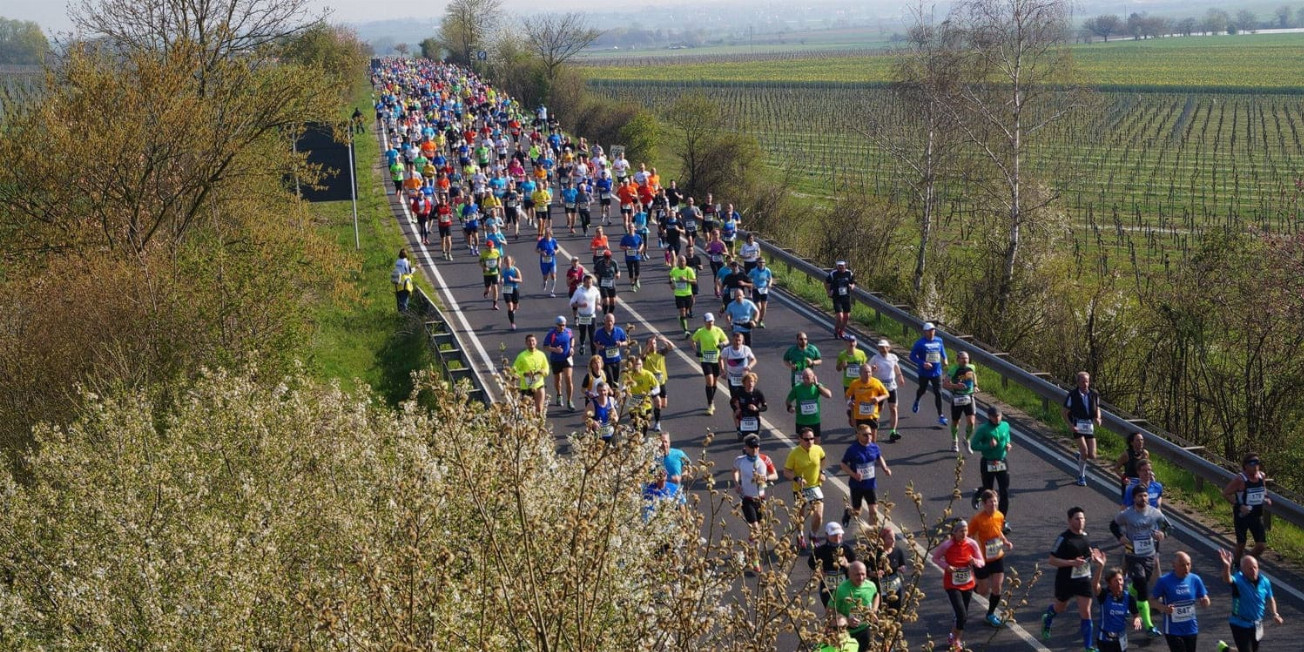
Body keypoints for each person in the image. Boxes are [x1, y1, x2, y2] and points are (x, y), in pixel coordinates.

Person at [1110, 482, 1172, 639]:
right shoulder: (1127, 514)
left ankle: (1127, 594)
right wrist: (1121, 537)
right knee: (1142, 587)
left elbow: (1168, 527)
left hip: (1149, 555)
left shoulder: (1155, 513)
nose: (1143, 498)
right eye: (1140, 496)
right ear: (1134, 498)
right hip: (1132, 555)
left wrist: (1162, 534)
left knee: (1138, 585)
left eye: (1145, 496)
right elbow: (1113, 525)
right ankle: (1149, 626)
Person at [1042, 506, 1101, 652]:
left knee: (1086, 612)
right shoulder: (1064, 539)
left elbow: (1089, 554)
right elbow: (1052, 560)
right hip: (1066, 580)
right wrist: (1071, 563)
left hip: (1083, 579)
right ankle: (1048, 617)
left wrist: (1094, 558)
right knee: (1060, 607)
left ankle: (1088, 646)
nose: (1081, 521)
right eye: (1077, 519)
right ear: (1070, 521)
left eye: (1082, 518)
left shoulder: (1086, 536)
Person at [931, 519, 986, 651]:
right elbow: (935, 558)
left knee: (963, 615)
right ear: (954, 532)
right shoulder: (947, 545)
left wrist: (975, 561)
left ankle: (952, 636)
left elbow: (982, 561)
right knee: (961, 614)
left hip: (968, 583)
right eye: (961, 530)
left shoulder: (972, 544)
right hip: (952, 584)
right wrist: (946, 566)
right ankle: (957, 640)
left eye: (966, 530)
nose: (964, 533)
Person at [1217, 547, 1284, 652]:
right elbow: (1227, 579)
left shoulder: (1265, 581)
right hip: (1239, 623)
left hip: (1257, 624)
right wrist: (1227, 566)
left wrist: (1275, 614)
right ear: (1242, 570)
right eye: (1250, 568)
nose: (1253, 571)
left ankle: (1226, 650)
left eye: (1255, 567)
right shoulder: (1238, 579)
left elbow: (1271, 599)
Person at [1150, 551, 1211, 652]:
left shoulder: (1195, 579)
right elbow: (1151, 600)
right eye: (1182, 565)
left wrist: (1205, 601)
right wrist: (1164, 608)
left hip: (1191, 628)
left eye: (1188, 564)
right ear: (1174, 565)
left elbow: (1205, 598)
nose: (1186, 568)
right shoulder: (1164, 581)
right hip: (1173, 630)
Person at [970, 490, 1014, 628]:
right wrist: (970, 554)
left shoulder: (999, 515)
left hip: (997, 556)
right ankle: (970, 587)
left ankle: (990, 614)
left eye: (995, 501)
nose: (994, 504)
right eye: (991, 502)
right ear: (984, 504)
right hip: (982, 559)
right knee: (983, 591)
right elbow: (969, 536)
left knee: (997, 587)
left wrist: (1005, 541)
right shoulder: (977, 519)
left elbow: (998, 530)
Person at [733, 434, 775, 570]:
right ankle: (755, 558)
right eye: (752, 447)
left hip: (761, 498)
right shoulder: (740, 460)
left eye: (757, 447)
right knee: (755, 528)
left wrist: (766, 478)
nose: (755, 450)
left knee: (759, 531)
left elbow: (775, 474)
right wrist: (736, 483)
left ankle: (750, 545)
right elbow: (734, 470)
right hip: (747, 499)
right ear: (746, 448)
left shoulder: (765, 459)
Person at [840, 424, 892, 530]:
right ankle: (848, 512)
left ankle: (871, 535)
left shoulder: (874, 447)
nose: (868, 437)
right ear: (858, 435)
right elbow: (843, 464)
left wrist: (885, 468)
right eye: (865, 435)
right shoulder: (852, 449)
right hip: (856, 485)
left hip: (870, 485)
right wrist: (853, 475)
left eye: (870, 434)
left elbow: (879, 457)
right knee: (857, 512)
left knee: (873, 511)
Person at [1222, 453, 1272, 563]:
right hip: (1242, 515)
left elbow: (1263, 489)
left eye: (1257, 463)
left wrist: (1266, 498)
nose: (1255, 466)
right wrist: (1240, 506)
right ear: (1245, 465)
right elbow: (1226, 493)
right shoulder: (1240, 479)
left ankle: (1246, 563)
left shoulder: (1261, 476)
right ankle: (1236, 565)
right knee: (1241, 544)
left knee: (1261, 545)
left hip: (1256, 514)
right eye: (1252, 463)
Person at [784, 427, 827, 551]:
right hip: (800, 489)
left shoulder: (818, 449)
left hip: (814, 486)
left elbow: (823, 460)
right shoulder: (794, 453)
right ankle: (800, 535)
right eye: (806, 439)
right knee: (801, 516)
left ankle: (813, 535)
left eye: (812, 438)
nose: (810, 441)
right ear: (800, 440)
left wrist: (822, 472)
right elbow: (786, 472)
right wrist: (797, 479)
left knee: (818, 515)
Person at [970, 406, 1013, 523]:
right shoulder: (983, 429)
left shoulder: (1005, 425)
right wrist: (987, 446)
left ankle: (1002, 520)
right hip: (988, 462)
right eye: (994, 417)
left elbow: (1007, 435)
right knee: (988, 492)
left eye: (998, 416)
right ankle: (979, 493)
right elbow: (973, 445)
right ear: (989, 417)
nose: (997, 419)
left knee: (1004, 492)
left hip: (1001, 461)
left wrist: (1008, 444)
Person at [1091, 551, 1140, 652]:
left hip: (1121, 639)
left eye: (1121, 580)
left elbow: (1136, 614)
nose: (1119, 583)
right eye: (1115, 581)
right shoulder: (1104, 595)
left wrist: (1137, 620)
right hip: (1105, 639)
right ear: (1109, 583)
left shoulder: (1128, 597)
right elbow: (1095, 585)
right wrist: (1101, 566)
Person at [1062, 371, 1102, 486]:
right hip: (1077, 425)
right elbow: (1064, 412)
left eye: (1087, 381)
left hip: (1089, 426)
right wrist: (1070, 425)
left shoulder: (1094, 394)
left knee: (1092, 455)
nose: (1085, 384)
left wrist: (1098, 418)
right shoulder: (1073, 395)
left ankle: (1080, 456)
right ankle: (1081, 476)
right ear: (1078, 382)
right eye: (1083, 381)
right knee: (1084, 451)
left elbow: (1097, 408)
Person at [832, 561, 880, 652]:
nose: (861, 578)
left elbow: (876, 595)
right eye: (857, 575)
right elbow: (829, 611)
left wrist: (873, 611)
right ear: (849, 574)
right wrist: (846, 621)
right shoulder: (841, 590)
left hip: (864, 630)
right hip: (846, 633)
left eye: (863, 574)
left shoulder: (871, 585)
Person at [809, 522, 858, 609]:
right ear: (827, 535)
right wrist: (818, 570)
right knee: (830, 613)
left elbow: (856, 566)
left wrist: (847, 564)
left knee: (845, 611)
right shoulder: (820, 550)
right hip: (828, 589)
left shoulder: (847, 549)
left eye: (839, 534)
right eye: (834, 535)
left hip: (845, 587)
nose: (837, 537)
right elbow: (811, 563)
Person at [909, 322, 948, 427]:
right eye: (929, 331)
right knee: (922, 390)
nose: (932, 333)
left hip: (937, 372)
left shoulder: (939, 340)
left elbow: (942, 351)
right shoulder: (920, 343)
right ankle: (917, 400)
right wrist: (923, 363)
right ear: (925, 332)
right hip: (924, 373)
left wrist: (945, 358)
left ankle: (941, 415)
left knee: (938, 393)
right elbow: (912, 356)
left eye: (933, 330)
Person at [691, 313, 728, 416]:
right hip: (705, 359)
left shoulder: (718, 330)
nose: (710, 323)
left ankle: (711, 399)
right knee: (709, 381)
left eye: (711, 321)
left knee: (715, 383)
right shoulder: (700, 331)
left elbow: (726, 340)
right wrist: (696, 350)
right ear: (705, 322)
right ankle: (710, 404)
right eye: (708, 322)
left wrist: (722, 344)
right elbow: (692, 340)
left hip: (716, 359)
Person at [869, 339, 906, 442]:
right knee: (879, 408)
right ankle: (874, 425)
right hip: (879, 386)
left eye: (884, 347)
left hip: (891, 386)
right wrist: (872, 369)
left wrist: (900, 376)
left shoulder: (893, 357)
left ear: (888, 348)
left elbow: (896, 367)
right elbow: (868, 369)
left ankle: (893, 431)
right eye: (880, 347)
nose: (882, 349)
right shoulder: (875, 358)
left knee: (893, 408)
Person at [942, 351, 978, 454]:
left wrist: (975, 386)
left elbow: (974, 376)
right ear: (958, 359)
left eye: (966, 358)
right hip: (957, 397)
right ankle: (954, 440)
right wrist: (956, 386)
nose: (965, 360)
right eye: (962, 358)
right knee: (956, 421)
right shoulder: (953, 369)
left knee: (971, 422)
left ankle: (967, 440)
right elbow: (945, 384)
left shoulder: (972, 367)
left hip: (969, 397)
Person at [786, 368, 834, 442]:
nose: (807, 379)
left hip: (814, 421)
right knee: (802, 444)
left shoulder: (817, 386)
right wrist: (790, 408)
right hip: (801, 421)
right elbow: (788, 401)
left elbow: (829, 395)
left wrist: (817, 385)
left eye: (809, 377)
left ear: (814, 376)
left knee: (817, 443)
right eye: (804, 377)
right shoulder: (797, 388)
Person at [844, 363, 889, 438]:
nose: (867, 374)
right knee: (861, 438)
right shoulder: (855, 383)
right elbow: (847, 395)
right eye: (865, 372)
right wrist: (849, 402)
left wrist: (878, 398)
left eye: (869, 372)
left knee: (873, 439)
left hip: (872, 414)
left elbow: (886, 394)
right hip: (859, 415)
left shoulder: (876, 382)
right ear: (860, 373)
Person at [542, 316, 575, 411]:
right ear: (556, 325)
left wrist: (572, 347)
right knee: (558, 380)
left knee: (568, 378)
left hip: (567, 359)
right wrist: (555, 349)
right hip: (556, 360)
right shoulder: (551, 334)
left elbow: (572, 338)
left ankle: (569, 401)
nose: (562, 327)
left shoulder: (568, 331)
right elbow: (545, 346)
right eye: (560, 325)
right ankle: (559, 394)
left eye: (564, 325)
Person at [512, 334, 549, 416]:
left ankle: (539, 426)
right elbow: (513, 370)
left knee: (539, 409)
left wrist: (543, 372)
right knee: (528, 411)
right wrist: (524, 374)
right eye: (529, 341)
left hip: (539, 384)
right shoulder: (522, 356)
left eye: (533, 341)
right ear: (526, 343)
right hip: (526, 386)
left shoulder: (541, 354)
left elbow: (546, 368)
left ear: (536, 342)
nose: (531, 342)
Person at [874, 526, 908, 613]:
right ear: (882, 540)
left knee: (895, 611)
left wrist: (902, 568)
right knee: (882, 610)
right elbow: (865, 570)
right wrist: (874, 574)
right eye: (890, 538)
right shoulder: (875, 553)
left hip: (895, 586)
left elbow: (902, 564)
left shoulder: (897, 551)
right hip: (880, 588)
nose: (894, 540)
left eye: (894, 537)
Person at [643, 335, 674, 432]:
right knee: (658, 403)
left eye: (654, 343)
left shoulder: (661, 352)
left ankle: (653, 410)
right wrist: (648, 345)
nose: (653, 345)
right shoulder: (646, 355)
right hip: (651, 384)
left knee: (663, 404)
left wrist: (665, 339)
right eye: (651, 344)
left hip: (661, 382)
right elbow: (641, 356)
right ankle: (657, 423)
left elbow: (671, 347)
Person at [621, 356, 659, 431]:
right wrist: (625, 392)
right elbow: (622, 387)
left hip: (645, 404)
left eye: (639, 364)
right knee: (637, 427)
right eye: (635, 364)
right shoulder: (628, 375)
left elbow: (657, 387)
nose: (637, 366)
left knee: (644, 427)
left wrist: (650, 393)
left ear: (642, 365)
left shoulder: (648, 374)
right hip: (633, 403)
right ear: (632, 365)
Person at [592, 313, 630, 385]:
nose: (609, 323)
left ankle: (615, 394)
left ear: (614, 321)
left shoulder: (619, 331)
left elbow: (626, 342)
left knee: (616, 380)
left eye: (611, 321)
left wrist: (621, 344)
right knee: (610, 379)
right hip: (605, 361)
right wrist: (598, 346)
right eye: (607, 321)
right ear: (604, 321)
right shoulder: (599, 332)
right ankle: (610, 394)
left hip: (616, 360)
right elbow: (594, 342)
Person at [730, 372, 767, 441]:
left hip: (754, 415)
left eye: (752, 382)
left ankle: (754, 429)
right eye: (748, 382)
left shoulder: (758, 393)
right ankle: (739, 431)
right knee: (734, 413)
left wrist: (757, 409)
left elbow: (765, 407)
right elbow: (732, 402)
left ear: (755, 382)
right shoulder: (739, 392)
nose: (750, 384)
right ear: (744, 383)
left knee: (753, 438)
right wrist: (736, 409)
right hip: (742, 414)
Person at [824, 260, 856, 340]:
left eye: (842, 266)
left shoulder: (849, 273)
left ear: (845, 266)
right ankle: (836, 330)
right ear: (837, 266)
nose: (841, 267)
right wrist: (828, 292)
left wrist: (852, 286)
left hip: (846, 296)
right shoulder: (833, 274)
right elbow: (826, 282)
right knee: (840, 317)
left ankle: (841, 331)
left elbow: (853, 283)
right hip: (837, 297)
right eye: (839, 266)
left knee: (846, 316)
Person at [1116, 432, 1151, 502]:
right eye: (1138, 440)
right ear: (1132, 443)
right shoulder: (1126, 454)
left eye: (1142, 440)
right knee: (1129, 504)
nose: (1141, 442)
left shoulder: (1145, 453)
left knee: (1142, 504)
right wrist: (1124, 478)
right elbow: (1116, 468)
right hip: (1129, 483)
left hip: (1142, 482)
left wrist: (1150, 476)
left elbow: (1148, 468)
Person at [720, 331, 756, 401]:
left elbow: (754, 360)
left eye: (739, 340)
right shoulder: (727, 350)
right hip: (732, 377)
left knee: (746, 396)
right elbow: (720, 358)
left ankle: (744, 410)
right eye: (736, 340)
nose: (737, 342)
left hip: (744, 377)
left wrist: (749, 366)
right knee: (734, 397)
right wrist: (722, 371)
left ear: (742, 341)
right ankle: (737, 410)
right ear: (732, 340)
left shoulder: (746, 349)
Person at [569, 275, 600, 355]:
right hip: (582, 316)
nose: (589, 284)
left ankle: (594, 355)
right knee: (582, 333)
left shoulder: (594, 289)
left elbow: (598, 296)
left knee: (592, 336)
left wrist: (598, 304)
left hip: (591, 316)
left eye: (590, 282)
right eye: (587, 282)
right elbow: (571, 303)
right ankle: (582, 344)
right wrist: (580, 306)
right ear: (584, 282)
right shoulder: (579, 291)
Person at [669, 254, 697, 337]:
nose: (681, 262)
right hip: (679, 294)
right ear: (678, 262)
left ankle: (681, 319)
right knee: (683, 310)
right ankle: (686, 330)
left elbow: (695, 281)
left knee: (686, 311)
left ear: (685, 262)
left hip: (688, 294)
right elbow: (671, 279)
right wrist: (672, 284)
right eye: (680, 261)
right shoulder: (674, 270)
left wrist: (686, 280)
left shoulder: (689, 270)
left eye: (683, 261)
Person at [594, 249, 621, 315]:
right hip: (603, 283)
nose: (607, 259)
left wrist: (618, 275)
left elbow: (618, 271)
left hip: (611, 283)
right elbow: (595, 271)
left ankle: (610, 314)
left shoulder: (614, 262)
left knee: (613, 301)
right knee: (606, 300)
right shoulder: (599, 262)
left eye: (608, 257)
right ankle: (605, 315)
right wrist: (597, 275)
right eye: (606, 257)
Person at [500, 255, 522, 330]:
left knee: (516, 306)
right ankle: (512, 323)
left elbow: (520, 280)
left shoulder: (515, 270)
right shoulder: (503, 271)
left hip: (514, 288)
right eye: (506, 261)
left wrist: (513, 279)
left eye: (509, 261)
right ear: (504, 262)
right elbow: (500, 279)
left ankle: (515, 308)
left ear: (511, 261)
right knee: (510, 306)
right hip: (506, 288)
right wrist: (501, 281)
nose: (507, 262)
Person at [748, 257, 772, 327]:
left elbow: (770, 278)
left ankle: (760, 321)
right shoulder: (753, 271)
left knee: (764, 307)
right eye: (760, 262)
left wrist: (769, 283)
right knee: (759, 307)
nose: (762, 264)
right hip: (756, 290)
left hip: (764, 289)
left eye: (763, 262)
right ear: (757, 263)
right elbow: (748, 277)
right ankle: (753, 317)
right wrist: (752, 283)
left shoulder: (767, 270)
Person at [478, 239, 501, 310]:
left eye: (491, 246)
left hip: (495, 272)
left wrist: (499, 264)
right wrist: (484, 267)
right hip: (487, 274)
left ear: (493, 246)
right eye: (489, 247)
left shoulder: (497, 251)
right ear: (487, 247)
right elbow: (480, 262)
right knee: (488, 288)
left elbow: (499, 258)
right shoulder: (484, 253)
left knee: (495, 288)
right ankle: (486, 292)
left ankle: (495, 304)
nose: (490, 248)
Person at [535, 228, 559, 297]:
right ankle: (544, 282)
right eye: (546, 233)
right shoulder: (541, 241)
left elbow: (557, 249)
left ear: (551, 234)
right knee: (545, 276)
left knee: (553, 275)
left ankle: (552, 291)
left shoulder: (553, 241)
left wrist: (556, 251)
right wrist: (541, 252)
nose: (547, 234)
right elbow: (536, 250)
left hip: (552, 260)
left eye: (548, 233)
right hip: (544, 261)